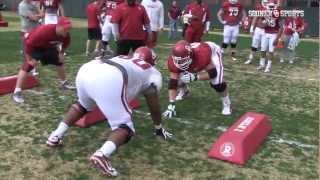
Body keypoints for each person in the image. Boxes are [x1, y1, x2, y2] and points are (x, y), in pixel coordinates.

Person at [46, 47, 172, 177]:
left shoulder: (124, 57)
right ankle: (102, 154)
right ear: (151, 61)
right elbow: (154, 106)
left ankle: (55, 136)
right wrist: (158, 127)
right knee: (125, 128)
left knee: (82, 105)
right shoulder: (152, 72)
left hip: (88, 68)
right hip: (110, 77)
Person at [12, 17, 75, 103]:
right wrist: (28, 58)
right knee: (29, 65)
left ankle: (64, 83)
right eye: (65, 28)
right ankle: (17, 91)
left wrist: (61, 53)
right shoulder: (44, 31)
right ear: (58, 26)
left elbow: (65, 44)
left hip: (47, 46)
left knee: (60, 61)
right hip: (32, 45)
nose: (67, 31)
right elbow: (29, 43)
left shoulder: (65, 35)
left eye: (69, 29)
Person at [162, 40, 232, 118]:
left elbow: (213, 73)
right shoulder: (173, 61)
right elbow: (173, 83)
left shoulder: (201, 55)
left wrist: (195, 77)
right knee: (177, 81)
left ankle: (227, 104)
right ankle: (184, 91)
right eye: (178, 60)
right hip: (195, 56)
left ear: (190, 56)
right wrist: (171, 104)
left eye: (183, 60)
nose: (180, 63)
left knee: (218, 83)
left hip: (213, 53)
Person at [18, 0, 44, 75]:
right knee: (27, 51)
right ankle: (26, 68)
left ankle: (33, 68)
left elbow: (42, 14)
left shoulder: (33, 4)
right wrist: (39, 16)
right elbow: (35, 18)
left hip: (35, 30)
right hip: (27, 31)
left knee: (34, 50)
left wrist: (38, 14)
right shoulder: (22, 5)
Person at [258, 0, 282, 72]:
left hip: (274, 34)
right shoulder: (264, 12)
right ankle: (262, 65)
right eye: (270, 6)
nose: (271, 7)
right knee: (263, 50)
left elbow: (281, 27)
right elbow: (259, 24)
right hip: (265, 33)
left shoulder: (277, 13)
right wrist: (264, 24)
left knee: (271, 51)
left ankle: (268, 66)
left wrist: (277, 38)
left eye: (272, 6)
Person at [245, 0, 268, 65]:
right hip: (258, 29)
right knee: (254, 45)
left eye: (267, 2)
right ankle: (250, 59)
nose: (265, 4)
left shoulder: (271, 9)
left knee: (263, 47)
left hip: (266, 30)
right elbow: (255, 18)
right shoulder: (259, 8)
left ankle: (262, 62)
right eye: (264, 2)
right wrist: (252, 28)